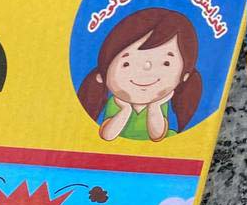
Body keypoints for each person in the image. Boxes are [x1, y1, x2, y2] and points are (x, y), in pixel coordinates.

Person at [77, 8, 203, 141]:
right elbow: (107, 136)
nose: (146, 69)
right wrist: (125, 110)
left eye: (166, 63)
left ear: (185, 75)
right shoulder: (117, 102)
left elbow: (157, 136)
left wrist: (154, 107)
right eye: (126, 64)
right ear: (103, 74)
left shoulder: (160, 103)